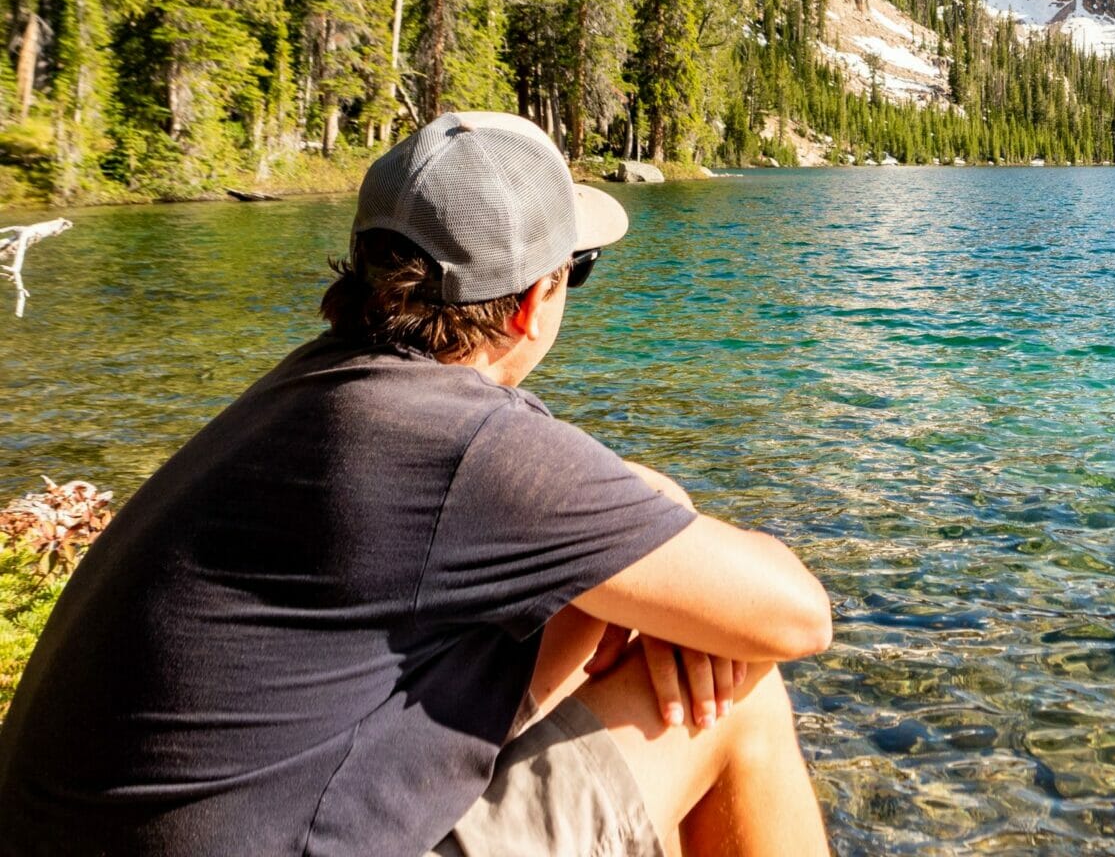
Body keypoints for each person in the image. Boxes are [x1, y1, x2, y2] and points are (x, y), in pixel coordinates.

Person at [0, 111, 834, 857]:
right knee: (737, 704)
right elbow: (798, 615)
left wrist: (655, 532)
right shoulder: (466, 446)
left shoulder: (317, 391)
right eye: (575, 271)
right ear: (529, 306)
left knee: (615, 603)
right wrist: (689, 589)